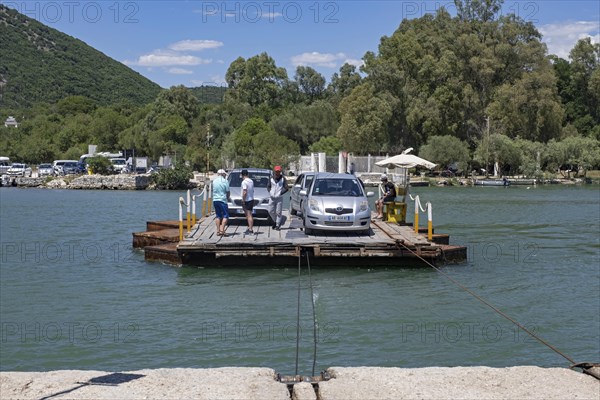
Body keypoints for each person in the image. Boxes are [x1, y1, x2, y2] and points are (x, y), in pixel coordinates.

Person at [267, 165, 288, 230]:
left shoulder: (283, 179)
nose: (277, 172)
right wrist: (270, 191)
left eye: (278, 171)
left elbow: (286, 188)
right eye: (276, 171)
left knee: (278, 212)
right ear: (274, 171)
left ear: (280, 171)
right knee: (270, 210)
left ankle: (277, 225)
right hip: (272, 197)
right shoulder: (271, 178)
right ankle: (275, 221)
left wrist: (280, 193)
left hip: (279, 197)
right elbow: (268, 186)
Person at [212, 169, 230, 236]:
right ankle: (222, 230)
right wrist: (227, 199)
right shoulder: (225, 181)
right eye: (225, 174)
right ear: (223, 174)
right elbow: (228, 192)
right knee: (225, 215)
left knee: (218, 215)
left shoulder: (214, 181)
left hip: (215, 200)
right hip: (222, 200)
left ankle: (217, 231)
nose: (225, 175)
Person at [241, 169, 255, 234]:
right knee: (248, 214)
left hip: (247, 200)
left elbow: (244, 192)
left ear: (242, 175)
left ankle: (251, 229)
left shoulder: (244, 182)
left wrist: (243, 200)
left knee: (249, 215)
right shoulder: (251, 181)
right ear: (247, 174)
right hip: (251, 199)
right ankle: (249, 227)